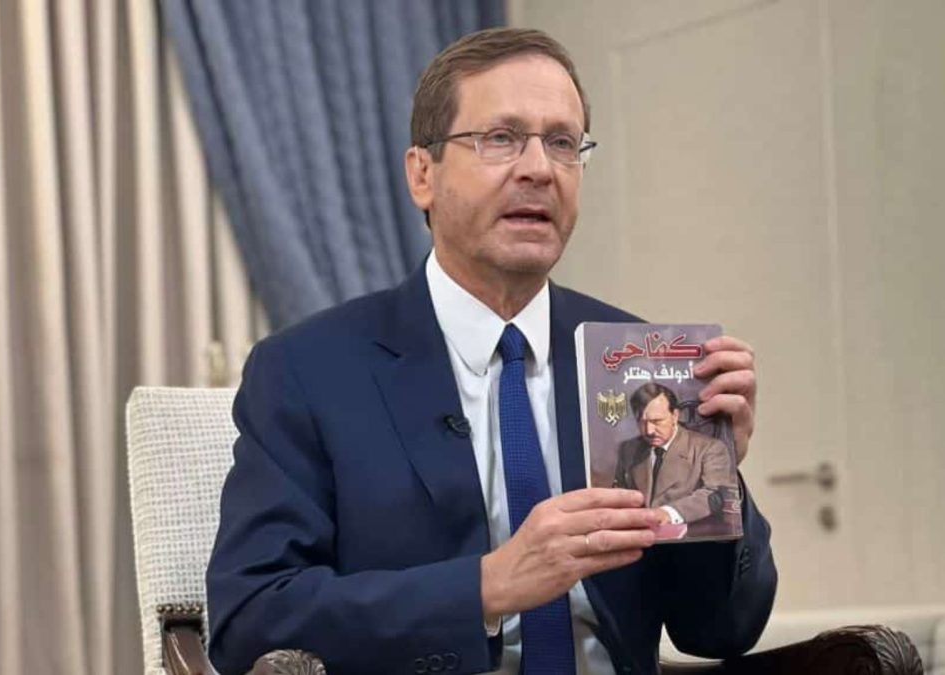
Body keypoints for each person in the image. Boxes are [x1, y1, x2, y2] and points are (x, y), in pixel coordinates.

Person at [206, 27, 776, 675]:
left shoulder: (632, 360)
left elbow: (722, 629)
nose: (538, 168)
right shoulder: (308, 370)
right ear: (422, 174)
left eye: (562, 142)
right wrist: (486, 586)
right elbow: (250, 616)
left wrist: (714, 475)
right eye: (500, 138)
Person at [614, 383, 736, 526]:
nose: (649, 430)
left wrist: (668, 513)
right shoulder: (628, 449)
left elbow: (715, 494)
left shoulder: (710, 448)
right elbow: (618, 490)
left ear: (675, 416)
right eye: (642, 422)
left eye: (656, 421)